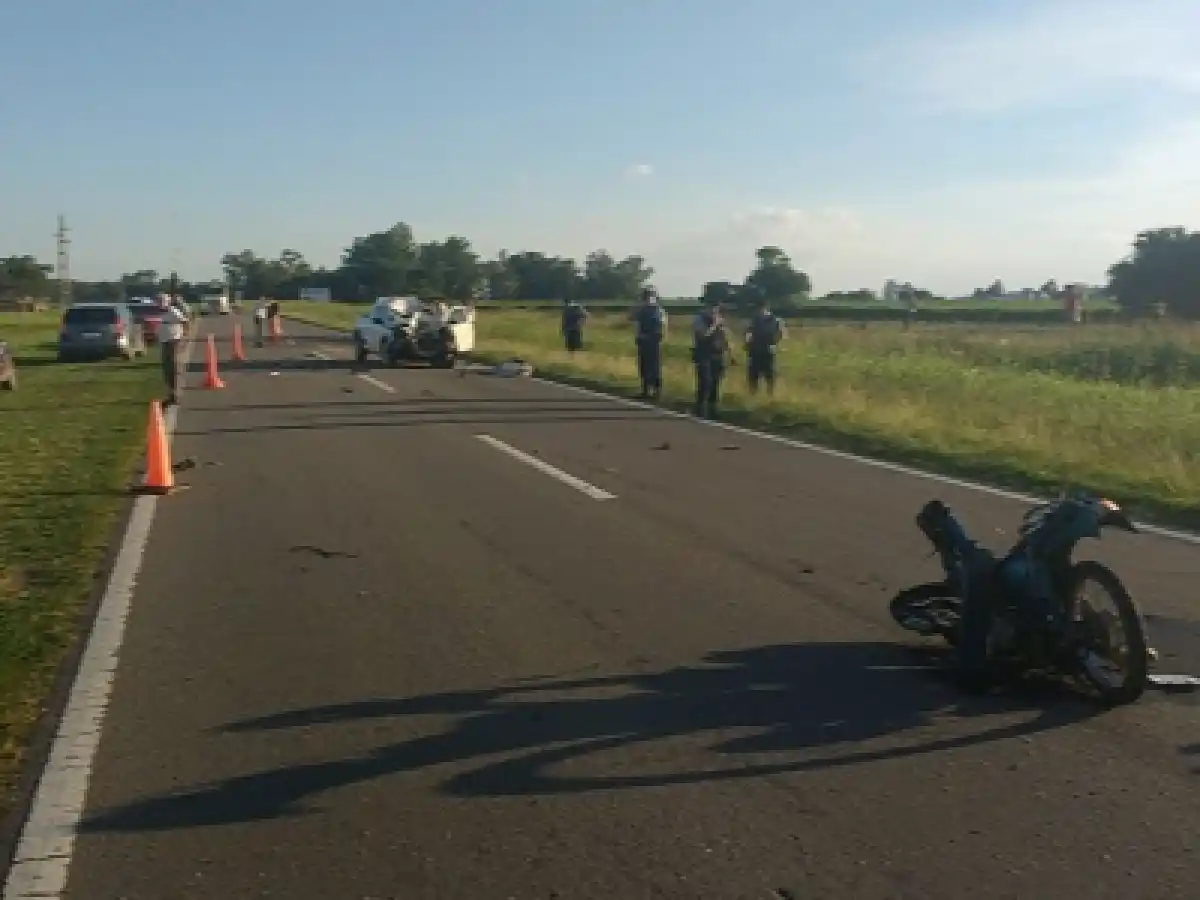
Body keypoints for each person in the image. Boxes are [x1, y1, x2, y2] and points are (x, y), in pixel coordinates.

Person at [691, 298, 732, 418]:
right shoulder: (699, 319)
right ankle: (700, 407)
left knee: (716, 381)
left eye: (717, 308)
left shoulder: (721, 320)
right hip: (704, 353)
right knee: (705, 380)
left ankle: (713, 408)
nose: (714, 310)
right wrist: (714, 325)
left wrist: (730, 351)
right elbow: (702, 335)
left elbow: (726, 337)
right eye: (713, 307)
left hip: (718, 353)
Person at [743, 298, 786, 396]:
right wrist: (747, 343)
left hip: (767, 350)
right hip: (755, 350)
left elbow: (781, 333)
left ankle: (770, 395)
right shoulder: (755, 319)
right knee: (754, 375)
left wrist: (775, 343)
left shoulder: (775, 320)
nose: (758, 311)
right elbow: (748, 332)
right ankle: (753, 395)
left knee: (769, 375)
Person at [631, 288, 668, 399]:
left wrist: (661, 335)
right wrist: (637, 336)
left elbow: (663, 324)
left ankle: (656, 390)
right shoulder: (641, 310)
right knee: (644, 364)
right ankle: (646, 389)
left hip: (653, 339)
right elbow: (636, 323)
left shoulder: (659, 310)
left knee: (654, 365)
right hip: (644, 339)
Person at [156, 296, 191, 407]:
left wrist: (185, 334)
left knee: (173, 367)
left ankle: (176, 395)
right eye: (158, 302)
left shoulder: (173, 311)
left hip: (173, 341)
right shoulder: (161, 313)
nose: (159, 304)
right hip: (164, 341)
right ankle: (171, 394)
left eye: (161, 302)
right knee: (166, 368)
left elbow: (185, 321)